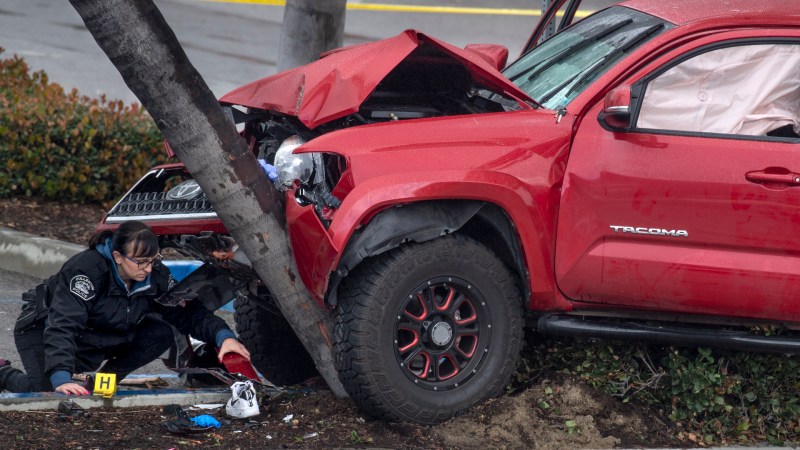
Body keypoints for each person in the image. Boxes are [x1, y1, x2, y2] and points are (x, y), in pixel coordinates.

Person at [0, 220, 250, 395]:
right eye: (140, 262)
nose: (148, 269)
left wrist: (223, 336)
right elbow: (62, 324)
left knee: (160, 332)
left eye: (153, 260)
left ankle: (101, 382)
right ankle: (3, 373)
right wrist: (61, 379)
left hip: (103, 332)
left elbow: (186, 311)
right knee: (47, 394)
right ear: (118, 256)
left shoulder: (155, 275)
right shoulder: (85, 271)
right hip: (43, 328)